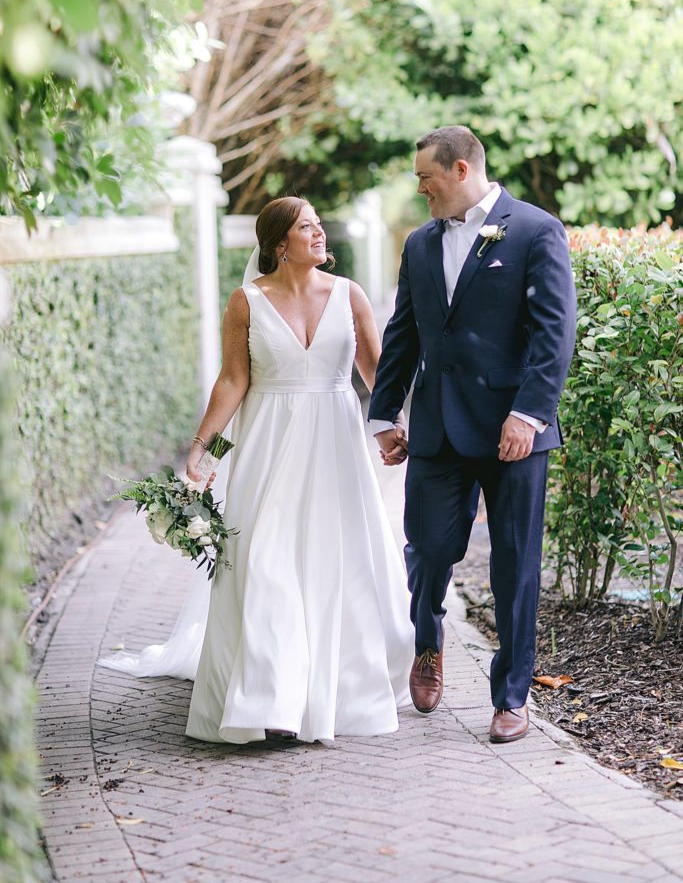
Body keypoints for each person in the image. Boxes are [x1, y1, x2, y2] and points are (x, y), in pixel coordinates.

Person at [104, 196, 413, 744]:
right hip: (269, 449)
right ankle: (272, 700)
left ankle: (338, 693)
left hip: (336, 450)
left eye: (320, 225)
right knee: (267, 566)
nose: (320, 234)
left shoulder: (350, 296)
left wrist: (393, 428)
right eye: (306, 228)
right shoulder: (246, 302)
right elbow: (233, 382)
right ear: (278, 244)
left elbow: (375, 369)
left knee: (336, 564)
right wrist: (201, 448)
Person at [369, 126, 576, 744]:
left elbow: (553, 333)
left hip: (515, 431)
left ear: (461, 171)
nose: (421, 190)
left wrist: (530, 414)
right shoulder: (419, 245)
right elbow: (402, 333)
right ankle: (428, 642)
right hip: (437, 428)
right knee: (428, 550)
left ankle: (512, 695)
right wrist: (385, 418)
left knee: (515, 566)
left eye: (426, 178)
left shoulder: (537, 230)